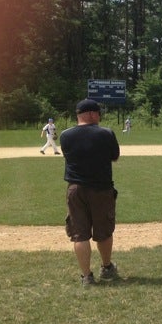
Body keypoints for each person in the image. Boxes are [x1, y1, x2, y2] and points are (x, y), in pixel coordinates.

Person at [59, 99, 120, 286]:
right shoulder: (106, 133)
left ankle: (86, 276)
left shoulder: (65, 135)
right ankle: (107, 267)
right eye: (98, 113)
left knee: (80, 234)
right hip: (101, 188)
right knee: (104, 231)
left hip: (75, 189)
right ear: (93, 114)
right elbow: (115, 157)